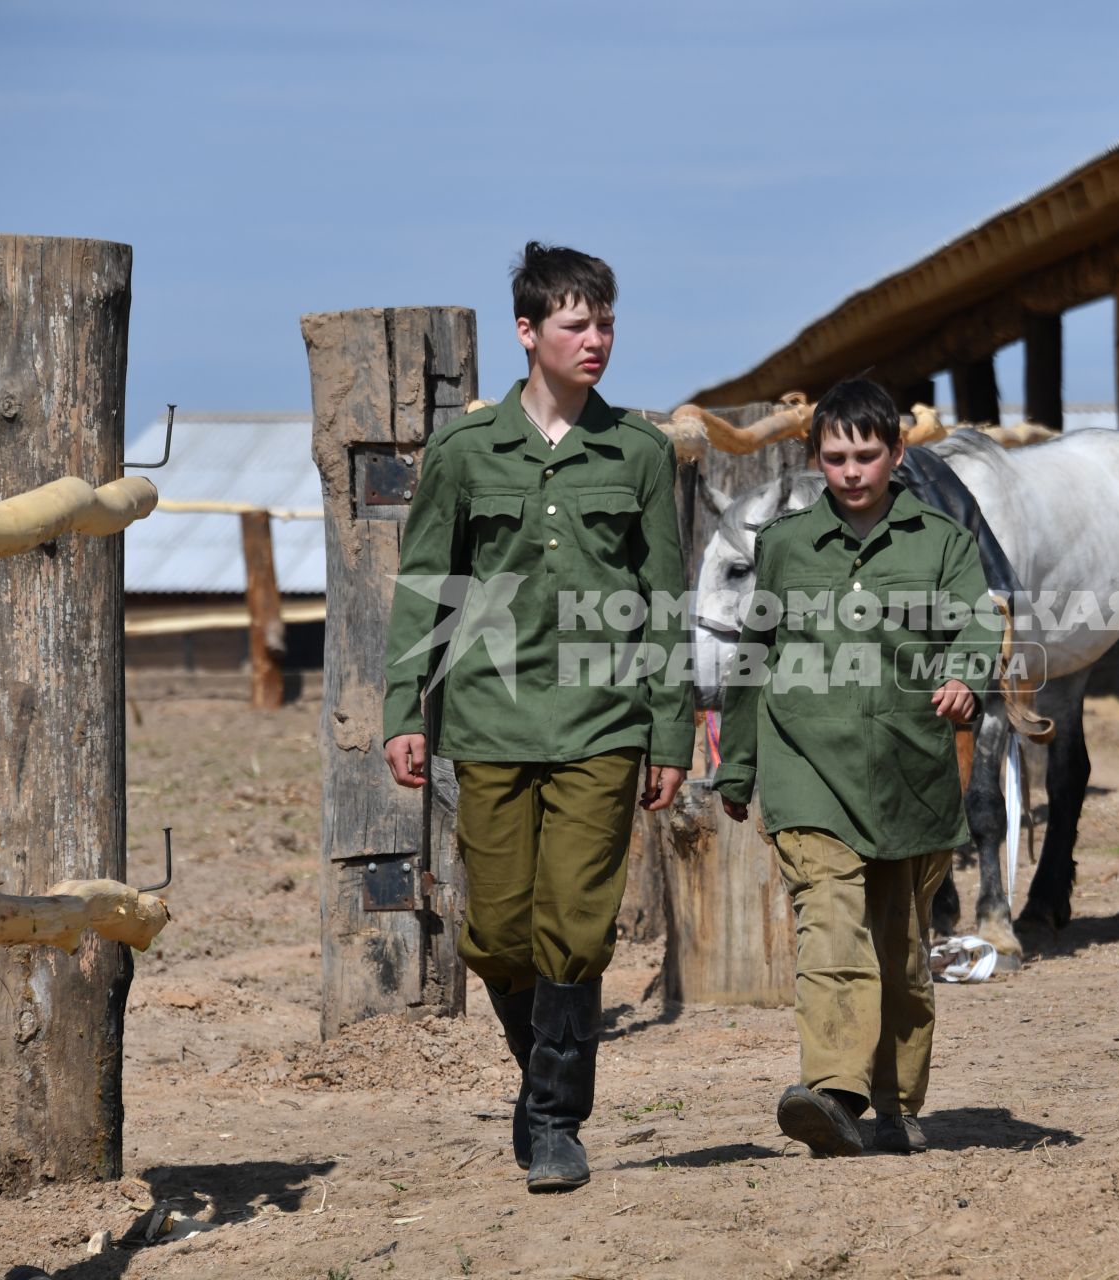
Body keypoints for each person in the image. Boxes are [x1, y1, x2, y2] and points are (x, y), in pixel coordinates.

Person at [382, 242, 690, 1192]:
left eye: (605, 323)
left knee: (578, 927)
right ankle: (539, 1085)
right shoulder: (465, 453)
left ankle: (556, 1120)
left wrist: (669, 731)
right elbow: (427, 586)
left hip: (604, 722)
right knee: (497, 936)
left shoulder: (637, 452)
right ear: (528, 332)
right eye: (575, 323)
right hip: (488, 721)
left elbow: (663, 599)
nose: (595, 339)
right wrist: (407, 706)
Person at [712, 377, 1000, 1156]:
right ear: (815, 459)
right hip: (807, 764)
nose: (851, 471)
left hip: (909, 768)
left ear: (896, 454)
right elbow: (752, 660)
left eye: (866, 455)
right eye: (835, 457)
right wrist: (736, 770)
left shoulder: (942, 541)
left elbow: (978, 624)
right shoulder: (784, 546)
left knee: (901, 949)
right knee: (831, 922)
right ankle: (834, 1090)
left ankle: (895, 1103)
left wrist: (966, 678)